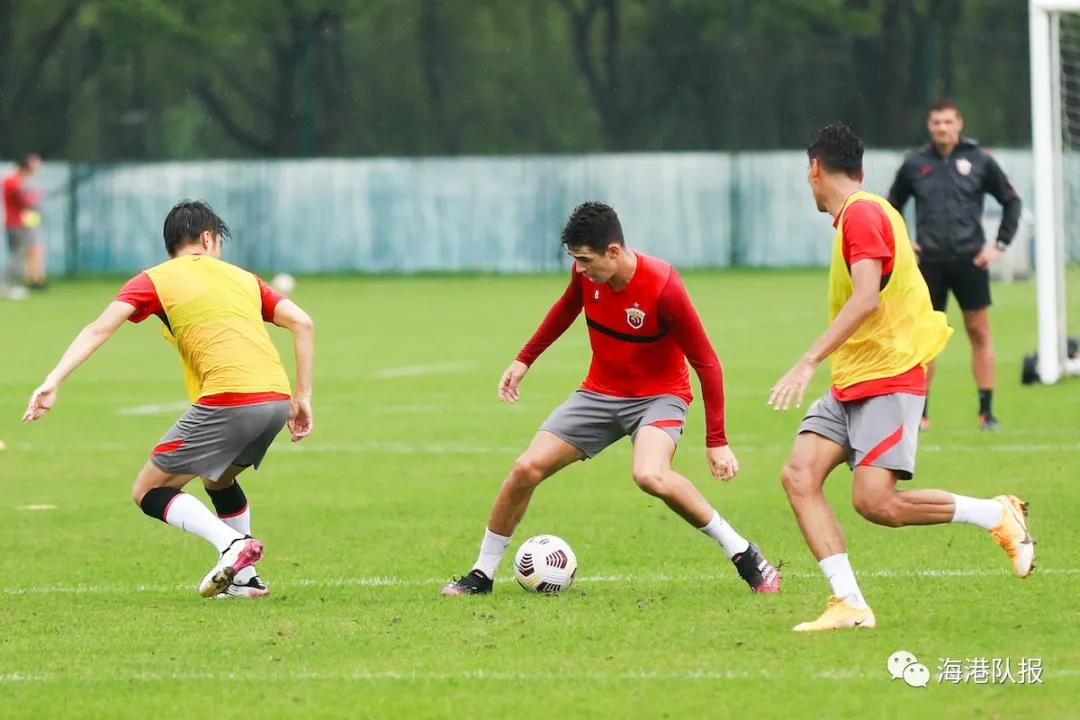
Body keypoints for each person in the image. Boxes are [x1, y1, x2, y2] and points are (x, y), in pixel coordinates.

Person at [769, 124, 1035, 632]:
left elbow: (866, 297)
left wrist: (807, 360)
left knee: (876, 502)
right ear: (862, 171)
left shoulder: (864, 214)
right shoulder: (863, 213)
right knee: (799, 476)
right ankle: (848, 602)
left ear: (815, 169)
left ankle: (996, 515)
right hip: (855, 377)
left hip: (888, 377)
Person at [442, 202, 780, 596]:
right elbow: (566, 308)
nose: (580, 269)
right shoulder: (585, 276)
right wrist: (524, 359)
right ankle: (482, 574)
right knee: (525, 469)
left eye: (585, 260)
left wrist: (717, 441)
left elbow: (706, 363)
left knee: (649, 475)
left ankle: (742, 552)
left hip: (659, 397)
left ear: (614, 252)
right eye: (575, 260)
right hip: (599, 393)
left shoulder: (664, 286)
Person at [22, 200, 315, 599]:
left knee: (147, 491)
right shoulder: (244, 278)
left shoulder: (154, 279)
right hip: (275, 399)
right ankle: (245, 580)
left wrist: (52, 380)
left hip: (230, 399)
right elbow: (302, 322)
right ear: (208, 238)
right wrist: (302, 397)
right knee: (219, 479)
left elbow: (99, 328)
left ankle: (231, 546)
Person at [887, 99, 1022, 431]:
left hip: (969, 261)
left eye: (948, 122)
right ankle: (920, 413)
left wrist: (999, 245)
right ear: (929, 126)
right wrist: (905, 243)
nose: (942, 128)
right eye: (936, 123)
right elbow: (891, 207)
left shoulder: (979, 160)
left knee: (979, 332)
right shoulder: (914, 164)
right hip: (928, 264)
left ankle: (986, 412)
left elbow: (1011, 201)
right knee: (925, 338)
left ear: (959, 123)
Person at [2, 153, 43, 295]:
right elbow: (24, 202)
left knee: (18, 255)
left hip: (18, 224)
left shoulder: (17, 181)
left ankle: (9, 285)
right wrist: (34, 197)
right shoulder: (13, 182)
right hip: (16, 224)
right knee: (17, 256)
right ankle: (7, 285)